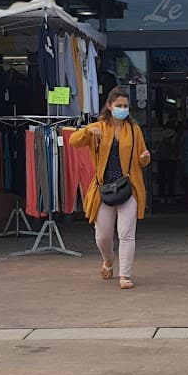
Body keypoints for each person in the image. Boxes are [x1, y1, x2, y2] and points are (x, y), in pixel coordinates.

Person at [69, 87, 151, 289]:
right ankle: (108, 260)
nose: (122, 109)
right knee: (103, 236)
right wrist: (87, 130)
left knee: (126, 234)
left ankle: (125, 275)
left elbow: (143, 158)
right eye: (119, 105)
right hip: (103, 189)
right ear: (109, 106)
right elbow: (73, 141)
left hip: (128, 187)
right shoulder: (98, 126)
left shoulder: (134, 129)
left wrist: (145, 158)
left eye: (125, 106)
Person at [153, 112, 178, 205]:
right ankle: (170, 197)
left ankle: (161, 196)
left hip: (161, 158)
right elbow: (174, 145)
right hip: (171, 158)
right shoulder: (175, 132)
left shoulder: (161, 131)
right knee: (171, 178)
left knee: (162, 178)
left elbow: (157, 145)